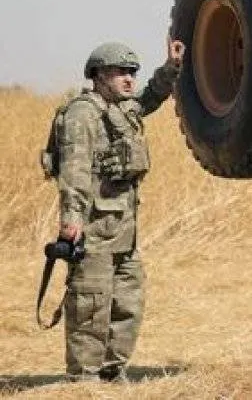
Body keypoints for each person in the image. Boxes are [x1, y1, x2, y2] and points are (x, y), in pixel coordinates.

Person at [53, 38, 183, 381]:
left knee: (128, 302)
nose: (129, 79)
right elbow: (75, 171)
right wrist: (72, 218)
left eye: (132, 72)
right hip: (93, 230)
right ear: (98, 76)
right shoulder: (83, 114)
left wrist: (171, 67)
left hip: (123, 230)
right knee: (90, 305)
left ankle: (112, 370)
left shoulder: (122, 108)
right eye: (120, 72)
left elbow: (150, 98)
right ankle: (84, 379)